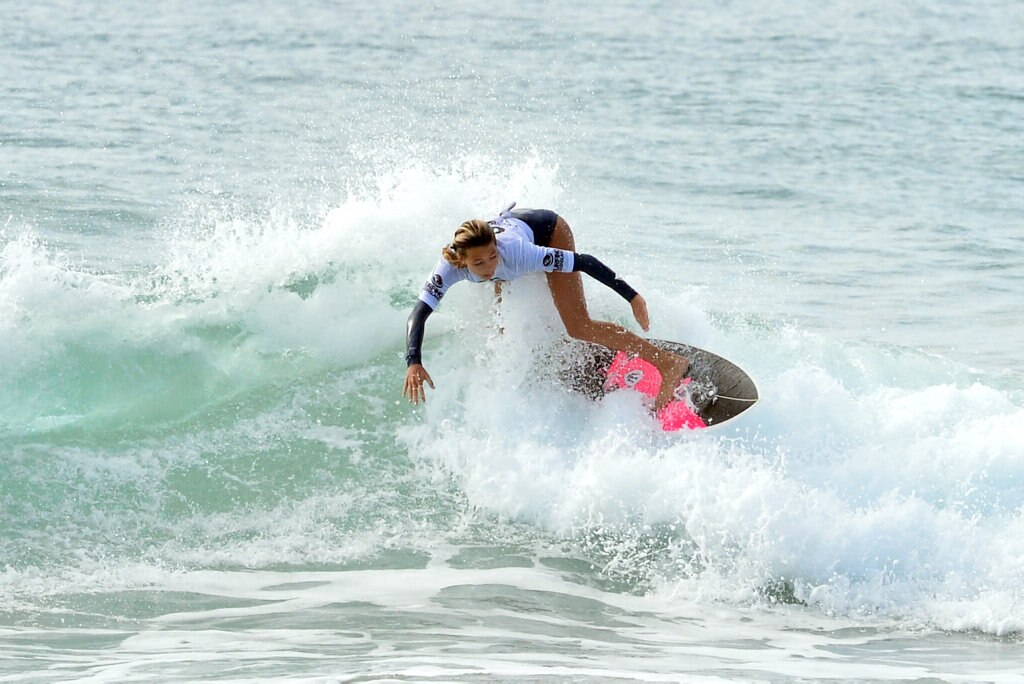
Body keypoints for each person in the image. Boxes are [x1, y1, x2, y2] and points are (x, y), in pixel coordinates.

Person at [402, 203, 689, 411]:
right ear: (461, 261)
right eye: (479, 263)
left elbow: (585, 262)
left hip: (548, 230)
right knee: (501, 328)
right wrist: (413, 360)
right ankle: (590, 354)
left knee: (578, 326)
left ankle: (667, 363)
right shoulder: (449, 267)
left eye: (492, 257)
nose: (489, 266)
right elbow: (419, 312)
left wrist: (632, 296)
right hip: (513, 232)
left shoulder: (517, 254)